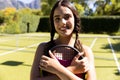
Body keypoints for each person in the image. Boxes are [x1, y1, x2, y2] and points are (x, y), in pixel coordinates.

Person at [30, 0, 96, 80]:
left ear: (75, 19)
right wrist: (72, 69)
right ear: (53, 22)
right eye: (57, 18)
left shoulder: (85, 51)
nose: (62, 22)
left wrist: (58, 69)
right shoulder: (42, 48)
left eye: (67, 17)